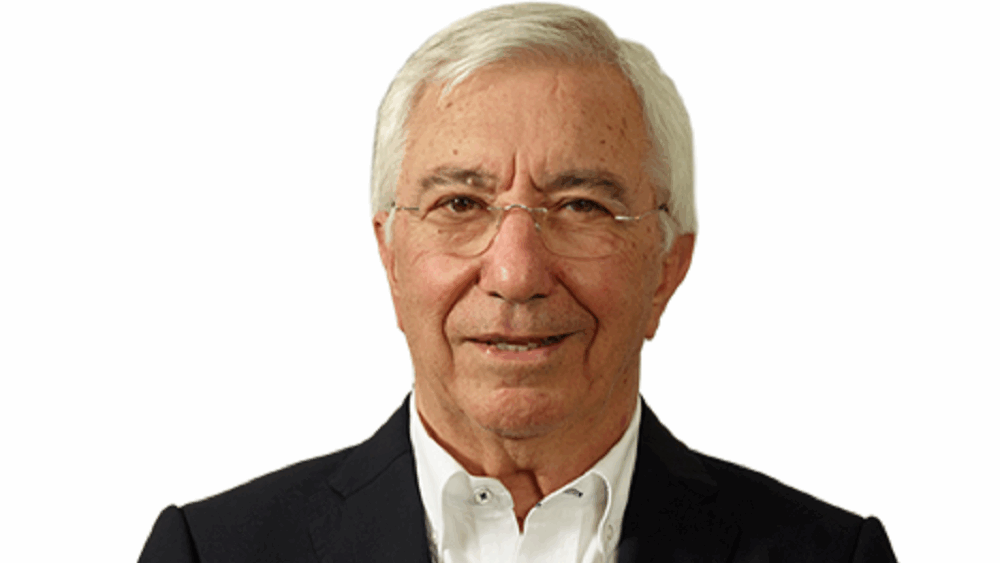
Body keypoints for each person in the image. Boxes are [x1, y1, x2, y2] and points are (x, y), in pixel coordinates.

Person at [138, 4, 897, 562]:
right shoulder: (211, 552)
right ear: (390, 256)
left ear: (667, 268)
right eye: (460, 204)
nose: (515, 273)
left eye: (581, 206)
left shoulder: (833, 557)